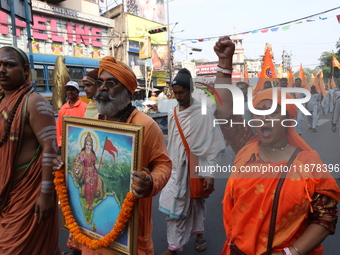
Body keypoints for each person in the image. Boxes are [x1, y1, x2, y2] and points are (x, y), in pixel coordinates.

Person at [214, 36, 340, 255]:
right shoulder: (247, 145)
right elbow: (225, 110)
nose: (264, 118)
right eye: (259, 112)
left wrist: (290, 253)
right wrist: (225, 63)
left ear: (287, 120)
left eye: (272, 111)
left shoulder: (308, 163)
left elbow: (325, 218)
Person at [54, 56, 172, 255]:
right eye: (100, 83)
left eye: (111, 84)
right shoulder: (93, 122)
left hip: (129, 232)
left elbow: (164, 164)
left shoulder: (147, 125)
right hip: (93, 234)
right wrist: (64, 165)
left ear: (127, 92)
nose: (102, 89)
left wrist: (150, 182)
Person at [0, 46, 60, 254]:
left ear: (25, 70)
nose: (2, 69)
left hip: (28, 194)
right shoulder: (2, 100)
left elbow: (50, 148)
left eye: (8, 65)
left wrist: (46, 194)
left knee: (14, 248)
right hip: (7, 192)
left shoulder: (34, 102)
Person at [159, 68, 225, 254]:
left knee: (197, 203)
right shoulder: (172, 113)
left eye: (182, 92)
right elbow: (172, 141)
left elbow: (212, 144)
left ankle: (199, 233)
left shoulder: (203, 113)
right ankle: (174, 246)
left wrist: (209, 173)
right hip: (176, 169)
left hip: (197, 167)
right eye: (175, 92)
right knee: (174, 204)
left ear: (190, 90)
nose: (178, 96)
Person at [56, 81, 88, 149]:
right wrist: (60, 143)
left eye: (73, 90)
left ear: (77, 92)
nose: (70, 92)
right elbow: (59, 127)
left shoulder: (84, 107)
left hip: (79, 145)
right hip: (65, 145)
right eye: (68, 90)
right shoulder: (63, 108)